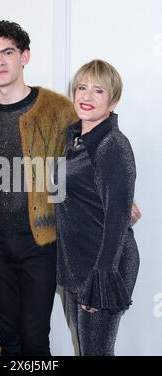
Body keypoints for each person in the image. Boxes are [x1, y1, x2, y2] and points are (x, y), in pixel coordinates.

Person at [0, 20, 77, 356]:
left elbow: (83, 164)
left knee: (35, 337)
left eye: (7, 52)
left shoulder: (58, 109)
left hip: (39, 241)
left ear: (24, 56)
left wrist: (119, 200)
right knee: (9, 338)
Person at [54, 59, 140, 356]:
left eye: (98, 91)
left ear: (113, 100)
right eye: (81, 88)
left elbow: (117, 222)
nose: (86, 97)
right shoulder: (74, 139)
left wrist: (100, 280)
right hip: (76, 264)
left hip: (103, 267)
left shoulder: (112, 145)